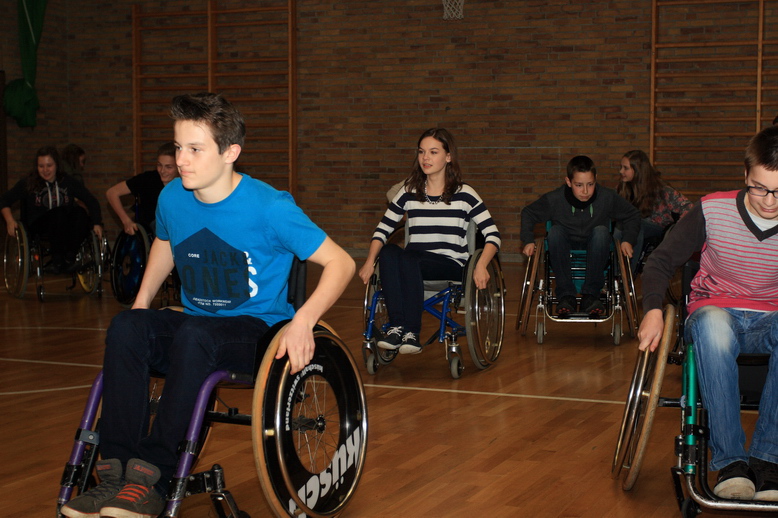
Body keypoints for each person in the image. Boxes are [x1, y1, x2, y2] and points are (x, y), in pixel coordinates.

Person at [60, 93, 355, 518]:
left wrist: (304, 320)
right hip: (195, 328)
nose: (181, 160)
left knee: (196, 335)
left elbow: (341, 263)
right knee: (127, 327)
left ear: (230, 152)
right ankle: (115, 475)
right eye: (178, 147)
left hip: (255, 333)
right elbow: (165, 243)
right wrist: (141, 303)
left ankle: (153, 479)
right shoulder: (172, 198)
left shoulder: (270, 207)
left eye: (195, 149)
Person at [638, 125, 778, 502]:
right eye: (760, 188)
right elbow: (660, 262)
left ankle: (768, 461)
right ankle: (731, 463)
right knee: (714, 325)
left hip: (771, 320)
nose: (769, 201)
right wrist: (653, 310)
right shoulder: (713, 209)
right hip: (715, 311)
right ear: (745, 175)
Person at [357, 128, 501, 355]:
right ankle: (397, 327)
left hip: (450, 264)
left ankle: (412, 332)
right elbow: (383, 229)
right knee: (388, 252)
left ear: (448, 156)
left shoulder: (465, 193)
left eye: (433, 152)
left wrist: (481, 264)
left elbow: (493, 235)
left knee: (409, 257)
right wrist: (368, 262)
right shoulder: (409, 191)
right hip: (413, 261)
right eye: (421, 152)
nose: (426, 158)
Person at [520, 155, 640, 318]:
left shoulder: (606, 197)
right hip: (564, 244)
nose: (585, 191)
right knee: (555, 232)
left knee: (601, 231)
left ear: (596, 179)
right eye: (579, 185)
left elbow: (632, 215)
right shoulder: (555, 199)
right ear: (568, 182)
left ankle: (591, 295)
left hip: (596, 244)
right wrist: (528, 240)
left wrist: (628, 240)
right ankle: (566, 296)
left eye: (590, 184)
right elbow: (528, 213)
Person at [0, 146, 103, 274]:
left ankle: (69, 258)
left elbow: (91, 201)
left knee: (80, 212)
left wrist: (97, 223)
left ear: (57, 165)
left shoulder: (68, 181)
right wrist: (9, 220)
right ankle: (57, 260)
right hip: (39, 225)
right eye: (41, 166)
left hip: (64, 225)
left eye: (49, 165)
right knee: (58, 213)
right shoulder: (28, 183)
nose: (45, 170)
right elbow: (4, 200)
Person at [616, 149, 692, 272]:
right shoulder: (623, 188)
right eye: (621, 167)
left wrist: (677, 231)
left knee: (636, 225)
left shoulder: (662, 190)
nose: (621, 171)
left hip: (657, 229)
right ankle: (616, 273)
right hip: (633, 227)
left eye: (625, 168)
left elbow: (688, 208)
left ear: (638, 170)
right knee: (621, 227)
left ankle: (628, 274)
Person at [106, 142, 178, 235]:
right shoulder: (147, 179)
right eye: (159, 165)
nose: (162, 171)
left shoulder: (185, 183)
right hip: (150, 228)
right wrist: (126, 221)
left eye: (169, 167)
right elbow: (112, 193)